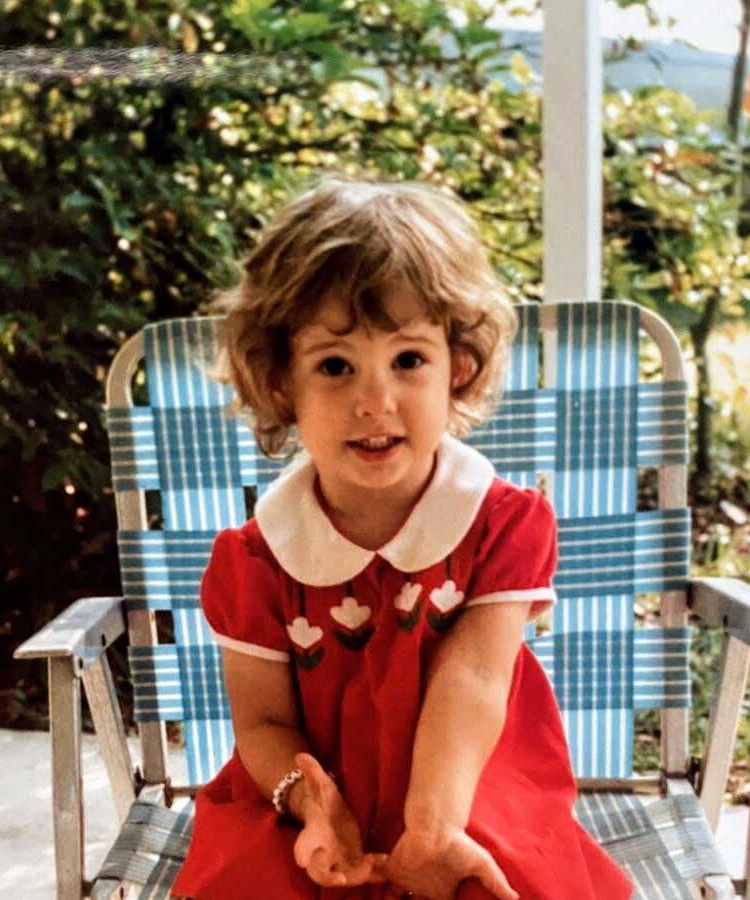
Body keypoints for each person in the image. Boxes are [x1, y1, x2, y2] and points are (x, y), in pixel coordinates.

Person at [172, 175, 635, 900]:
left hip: (465, 786)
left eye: (409, 359)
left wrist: (432, 826)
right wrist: (308, 799)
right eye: (335, 365)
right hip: (321, 805)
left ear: (460, 369)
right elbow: (262, 721)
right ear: (281, 383)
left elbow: (475, 677)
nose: (375, 401)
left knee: (493, 883)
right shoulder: (256, 558)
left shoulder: (498, 523)